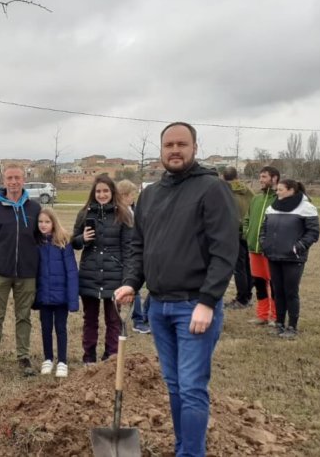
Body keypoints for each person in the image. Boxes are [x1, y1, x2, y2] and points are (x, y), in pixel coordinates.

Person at [115, 122, 237, 457]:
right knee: (174, 385)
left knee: (192, 387)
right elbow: (139, 246)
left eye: (182, 144)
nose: (175, 150)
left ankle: (191, 453)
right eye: (169, 145)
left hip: (194, 307)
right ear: (161, 150)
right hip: (158, 307)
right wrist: (131, 282)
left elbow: (225, 250)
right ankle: (184, 447)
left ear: (195, 147)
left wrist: (208, 301)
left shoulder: (212, 189)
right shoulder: (151, 194)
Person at [0, 164, 41, 376]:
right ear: (4, 181)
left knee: (24, 317)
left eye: (17, 178)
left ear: (24, 180)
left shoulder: (34, 208)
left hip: (27, 273)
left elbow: (41, 239)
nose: (13, 182)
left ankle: (23, 357)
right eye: (10, 178)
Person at [72, 175, 133, 365]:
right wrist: (82, 238)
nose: (102, 195)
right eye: (98, 191)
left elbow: (128, 249)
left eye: (105, 191)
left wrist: (127, 279)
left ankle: (111, 357)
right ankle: (89, 356)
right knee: (90, 319)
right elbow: (73, 242)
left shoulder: (123, 215)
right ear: (93, 193)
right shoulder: (84, 214)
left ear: (112, 192)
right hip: (90, 273)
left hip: (114, 275)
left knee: (113, 320)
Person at [260, 179, 320, 338]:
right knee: (277, 291)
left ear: (291, 190)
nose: (277, 192)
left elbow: (313, 232)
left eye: (280, 189)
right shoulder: (272, 207)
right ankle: (279, 323)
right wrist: (264, 243)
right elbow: (264, 229)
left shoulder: (307, 208)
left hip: (293, 258)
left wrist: (298, 247)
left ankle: (292, 326)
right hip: (273, 256)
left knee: (291, 292)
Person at [33, 208, 79, 378]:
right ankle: (48, 358)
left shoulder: (63, 242)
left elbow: (72, 272)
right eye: (40, 222)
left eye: (47, 221)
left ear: (54, 223)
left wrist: (72, 299)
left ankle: (62, 361)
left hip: (61, 297)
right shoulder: (36, 243)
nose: (43, 225)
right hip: (44, 296)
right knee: (45, 328)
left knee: (60, 328)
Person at [243, 166, 280, 325]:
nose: (261, 180)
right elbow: (247, 219)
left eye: (264, 177)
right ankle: (262, 315)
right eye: (260, 177)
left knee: (274, 283)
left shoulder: (280, 199)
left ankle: (276, 316)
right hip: (254, 249)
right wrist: (247, 233)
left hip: (271, 251)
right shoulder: (256, 199)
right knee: (258, 283)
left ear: (274, 178)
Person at [117, 179, 150, 334]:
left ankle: (143, 316)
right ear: (124, 195)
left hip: (136, 254)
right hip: (126, 257)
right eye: (131, 194)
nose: (134, 197)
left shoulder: (133, 210)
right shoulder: (119, 214)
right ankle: (137, 320)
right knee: (132, 289)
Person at [223, 167, 255, 310]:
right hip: (248, 231)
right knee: (248, 265)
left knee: (239, 267)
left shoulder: (224, 191)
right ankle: (247, 296)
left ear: (223, 177)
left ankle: (242, 298)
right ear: (237, 176)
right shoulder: (249, 191)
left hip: (233, 232)